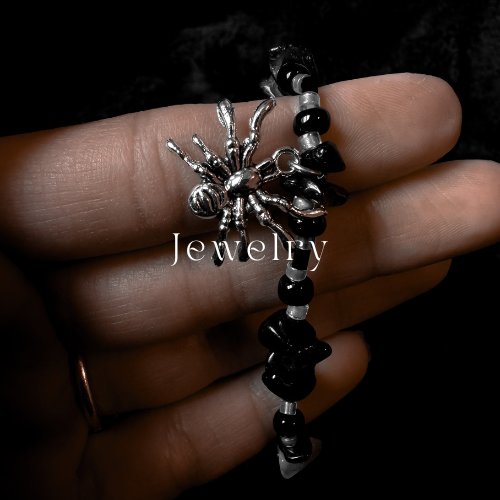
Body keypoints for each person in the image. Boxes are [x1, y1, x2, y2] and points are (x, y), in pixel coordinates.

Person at [1, 72, 498, 499]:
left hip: (228, 194)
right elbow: (245, 214)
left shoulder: (246, 184)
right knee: (264, 203)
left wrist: (225, 173)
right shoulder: (247, 187)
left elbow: (242, 209)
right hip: (224, 195)